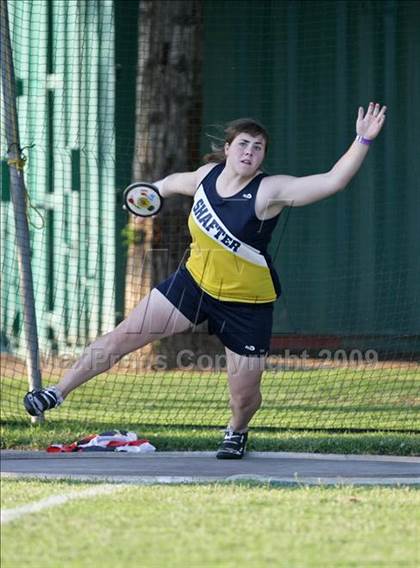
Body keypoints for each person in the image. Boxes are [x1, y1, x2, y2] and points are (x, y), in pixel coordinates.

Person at [24, 102, 387, 458]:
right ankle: (56, 392)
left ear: (262, 158)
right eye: (243, 143)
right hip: (193, 284)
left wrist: (363, 140)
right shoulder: (205, 176)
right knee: (123, 336)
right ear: (228, 149)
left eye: (258, 147)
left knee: (244, 397)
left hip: (248, 304)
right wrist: (148, 194)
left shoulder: (269, 191)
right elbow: (167, 184)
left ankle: (237, 430)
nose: (250, 151)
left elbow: (332, 181)